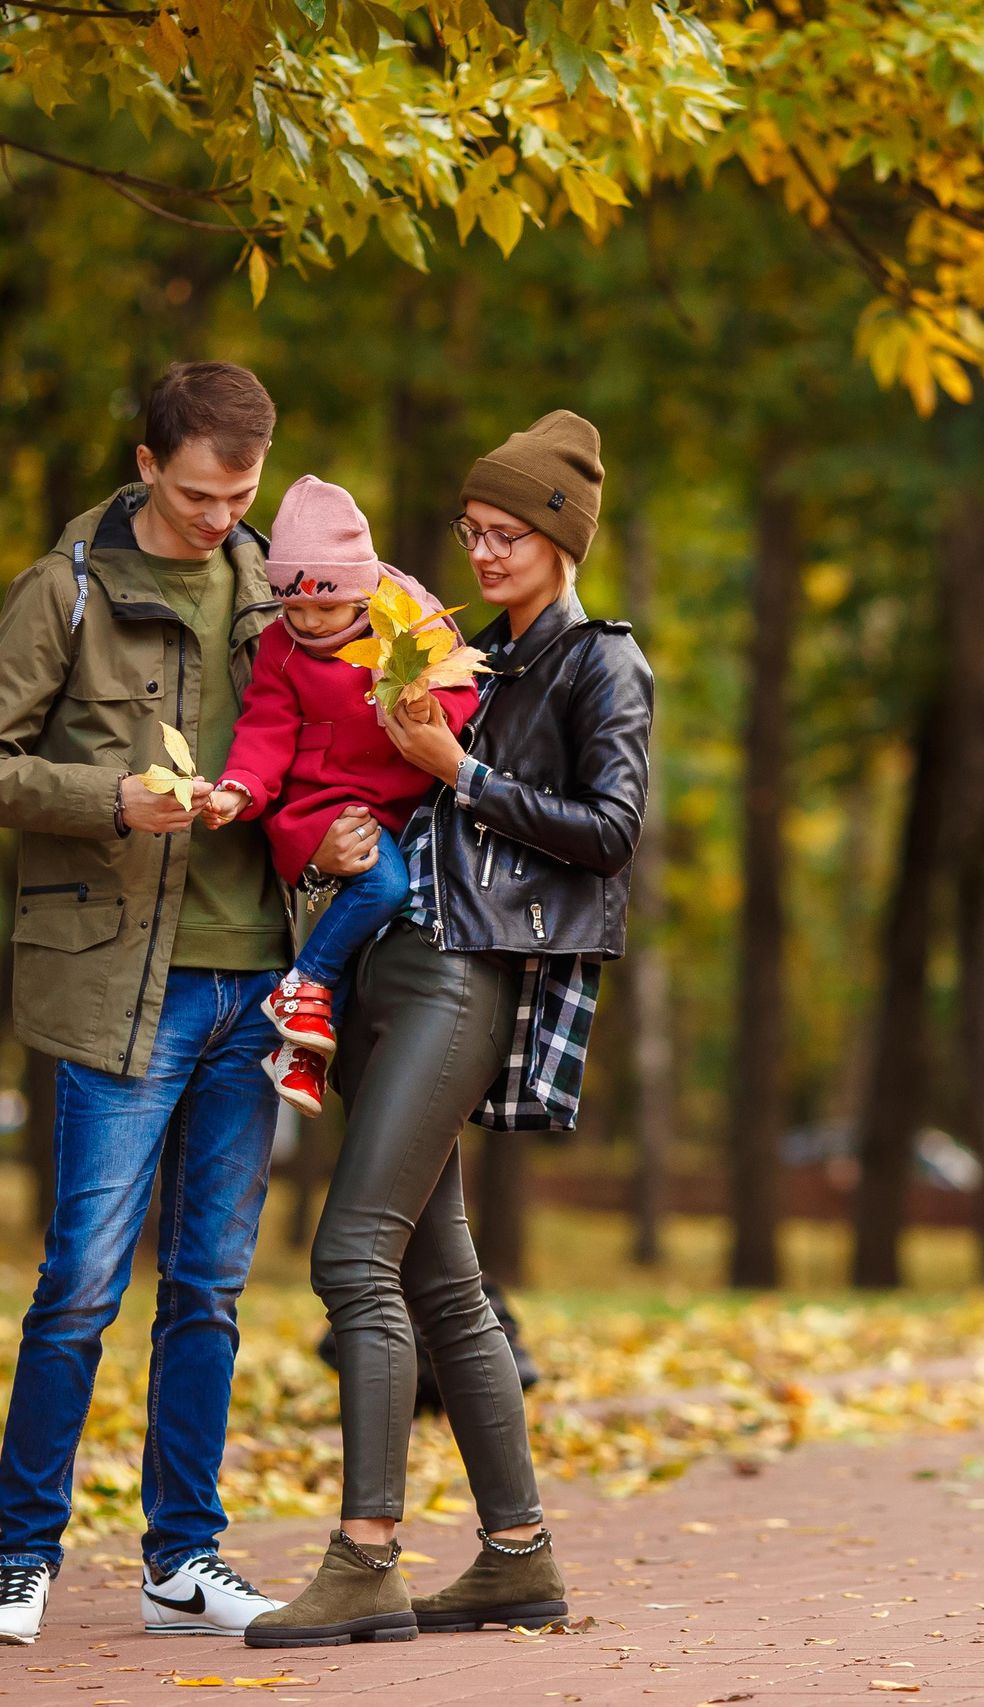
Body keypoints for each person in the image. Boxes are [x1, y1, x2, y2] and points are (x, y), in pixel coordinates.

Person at [0, 362, 364, 1646]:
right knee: (80, 1283)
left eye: (240, 496)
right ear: (144, 466)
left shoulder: (280, 586)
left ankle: (183, 1560)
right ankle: (22, 1558)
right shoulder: (64, 589)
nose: (220, 520)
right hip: (120, 984)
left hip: (259, 981)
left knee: (211, 1288)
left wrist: (339, 832)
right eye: (195, 496)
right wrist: (107, 798)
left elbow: (325, 742)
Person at [244, 410, 653, 1649]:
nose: (480, 551)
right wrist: (335, 835)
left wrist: (458, 772)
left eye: (505, 533)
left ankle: (366, 1558)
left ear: (561, 539)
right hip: (385, 967)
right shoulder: (453, 647)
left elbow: (612, 831)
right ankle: (517, 1559)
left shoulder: (599, 665)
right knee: (441, 1278)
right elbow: (356, 771)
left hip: (461, 975)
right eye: (470, 531)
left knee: (349, 1257)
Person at [208, 475, 479, 1120]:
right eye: (293, 609)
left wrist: (429, 709)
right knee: (384, 887)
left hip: (399, 803)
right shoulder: (282, 648)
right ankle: (299, 985)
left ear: (360, 590)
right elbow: (265, 728)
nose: (308, 624)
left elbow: (459, 686)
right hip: (327, 799)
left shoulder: (404, 618)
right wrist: (241, 786)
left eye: (324, 610)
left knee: (382, 938)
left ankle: (300, 1050)